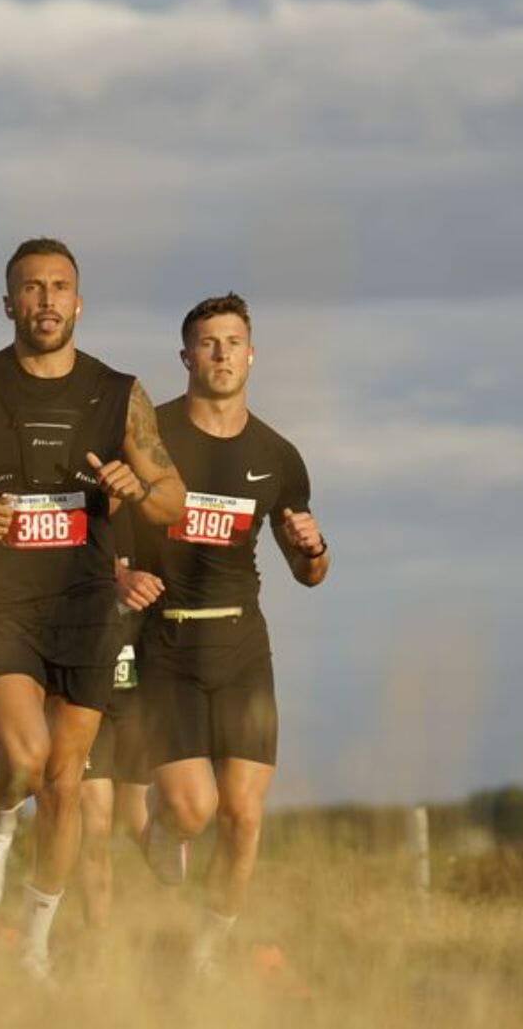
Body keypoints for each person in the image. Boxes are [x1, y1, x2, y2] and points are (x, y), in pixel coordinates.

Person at [0, 238, 184, 982]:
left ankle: (34, 946)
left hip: (84, 605)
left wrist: (135, 489)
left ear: (79, 303)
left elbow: (172, 500)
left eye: (60, 286)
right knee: (25, 761)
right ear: (9, 304)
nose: (47, 299)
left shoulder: (119, 394)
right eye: (32, 288)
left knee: (64, 783)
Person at [121, 292, 330, 977]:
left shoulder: (277, 455)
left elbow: (309, 573)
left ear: (251, 354)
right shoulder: (150, 437)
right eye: (208, 342)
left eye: (233, 342)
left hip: (242, 648)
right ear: (186, 356)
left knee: (242, 815)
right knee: (194, 810)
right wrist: (121, 574)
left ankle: (206, 951)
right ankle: (159, 820)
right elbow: (100, 530)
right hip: (165, 644)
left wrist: (314, 547)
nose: (221, 353)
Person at [77, 513, 154, 935]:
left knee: (136, 813)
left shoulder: (152, 515)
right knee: (96, 822)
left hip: (139, 693)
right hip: (85, 693)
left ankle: (191, 918)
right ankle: (98, 946)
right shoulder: (70, 507)